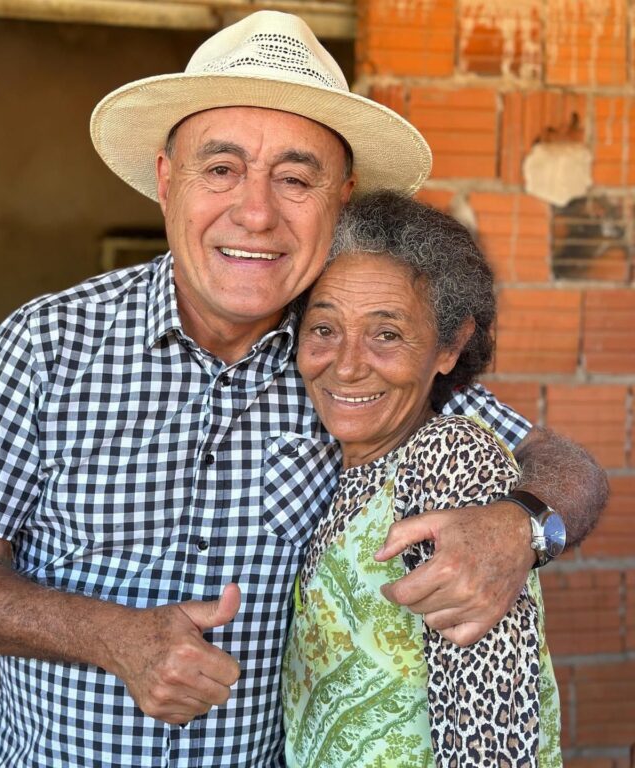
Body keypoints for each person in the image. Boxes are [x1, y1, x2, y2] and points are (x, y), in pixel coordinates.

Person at [0, 11, 605, 767]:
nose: (257, 212)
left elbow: (569, 468)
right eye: (221, 169)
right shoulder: (47, 343)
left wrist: (520, 528)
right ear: (169, 180)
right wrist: (112, 637)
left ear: (343, 197)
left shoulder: (350, 360)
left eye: (296, 178)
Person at [282, 192, 561, 767]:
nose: (348, 364)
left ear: (450, 346)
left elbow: (492, 734)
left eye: (387, 334)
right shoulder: (343, 467)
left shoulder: (450, 460)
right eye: (324, 328)